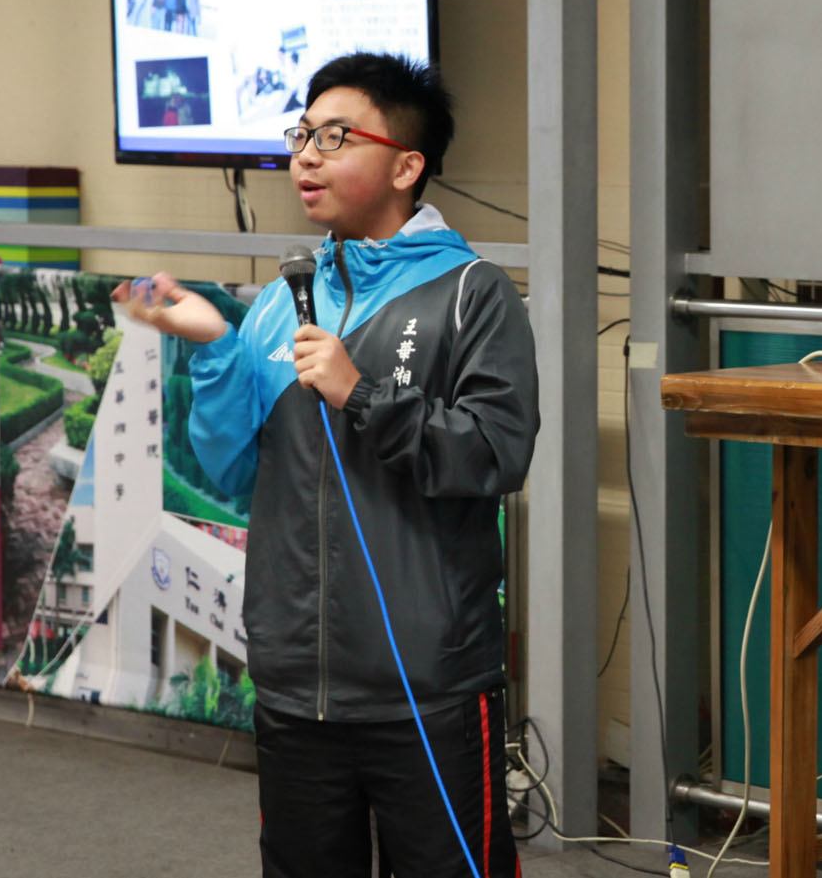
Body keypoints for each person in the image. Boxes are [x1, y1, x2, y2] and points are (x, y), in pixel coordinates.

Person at [112, 52, 538, 878]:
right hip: (296, 687)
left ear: (406, 166)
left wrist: (361, 393)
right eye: (301, 135)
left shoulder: (471, 293)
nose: (306, 155)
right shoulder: (281, 301)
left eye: (335, 137)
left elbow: (495, 451)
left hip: (428, 688)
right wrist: (216, 344)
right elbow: (235, 475)